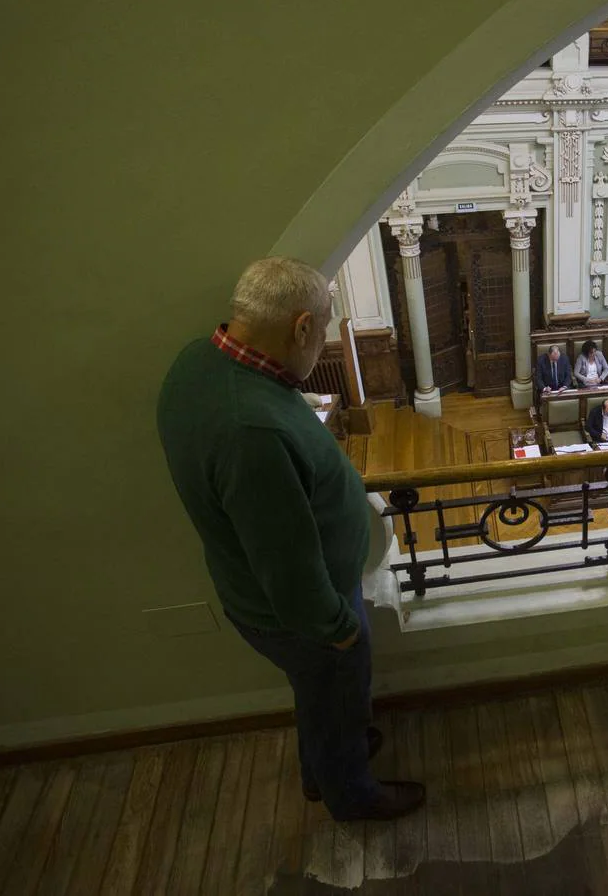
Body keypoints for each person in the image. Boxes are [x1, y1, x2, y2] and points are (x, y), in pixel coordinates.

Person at [156, 257, 424, 822]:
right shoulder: (251, 431)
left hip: (274, 600)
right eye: (322, 330)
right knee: (336, 694)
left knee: (322, 702)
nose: (321, 341)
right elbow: (285, 560)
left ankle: (320, 768)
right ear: (301, 327)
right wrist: (339, 630)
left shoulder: (197, 361)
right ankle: (352, 794)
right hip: (305, 613)